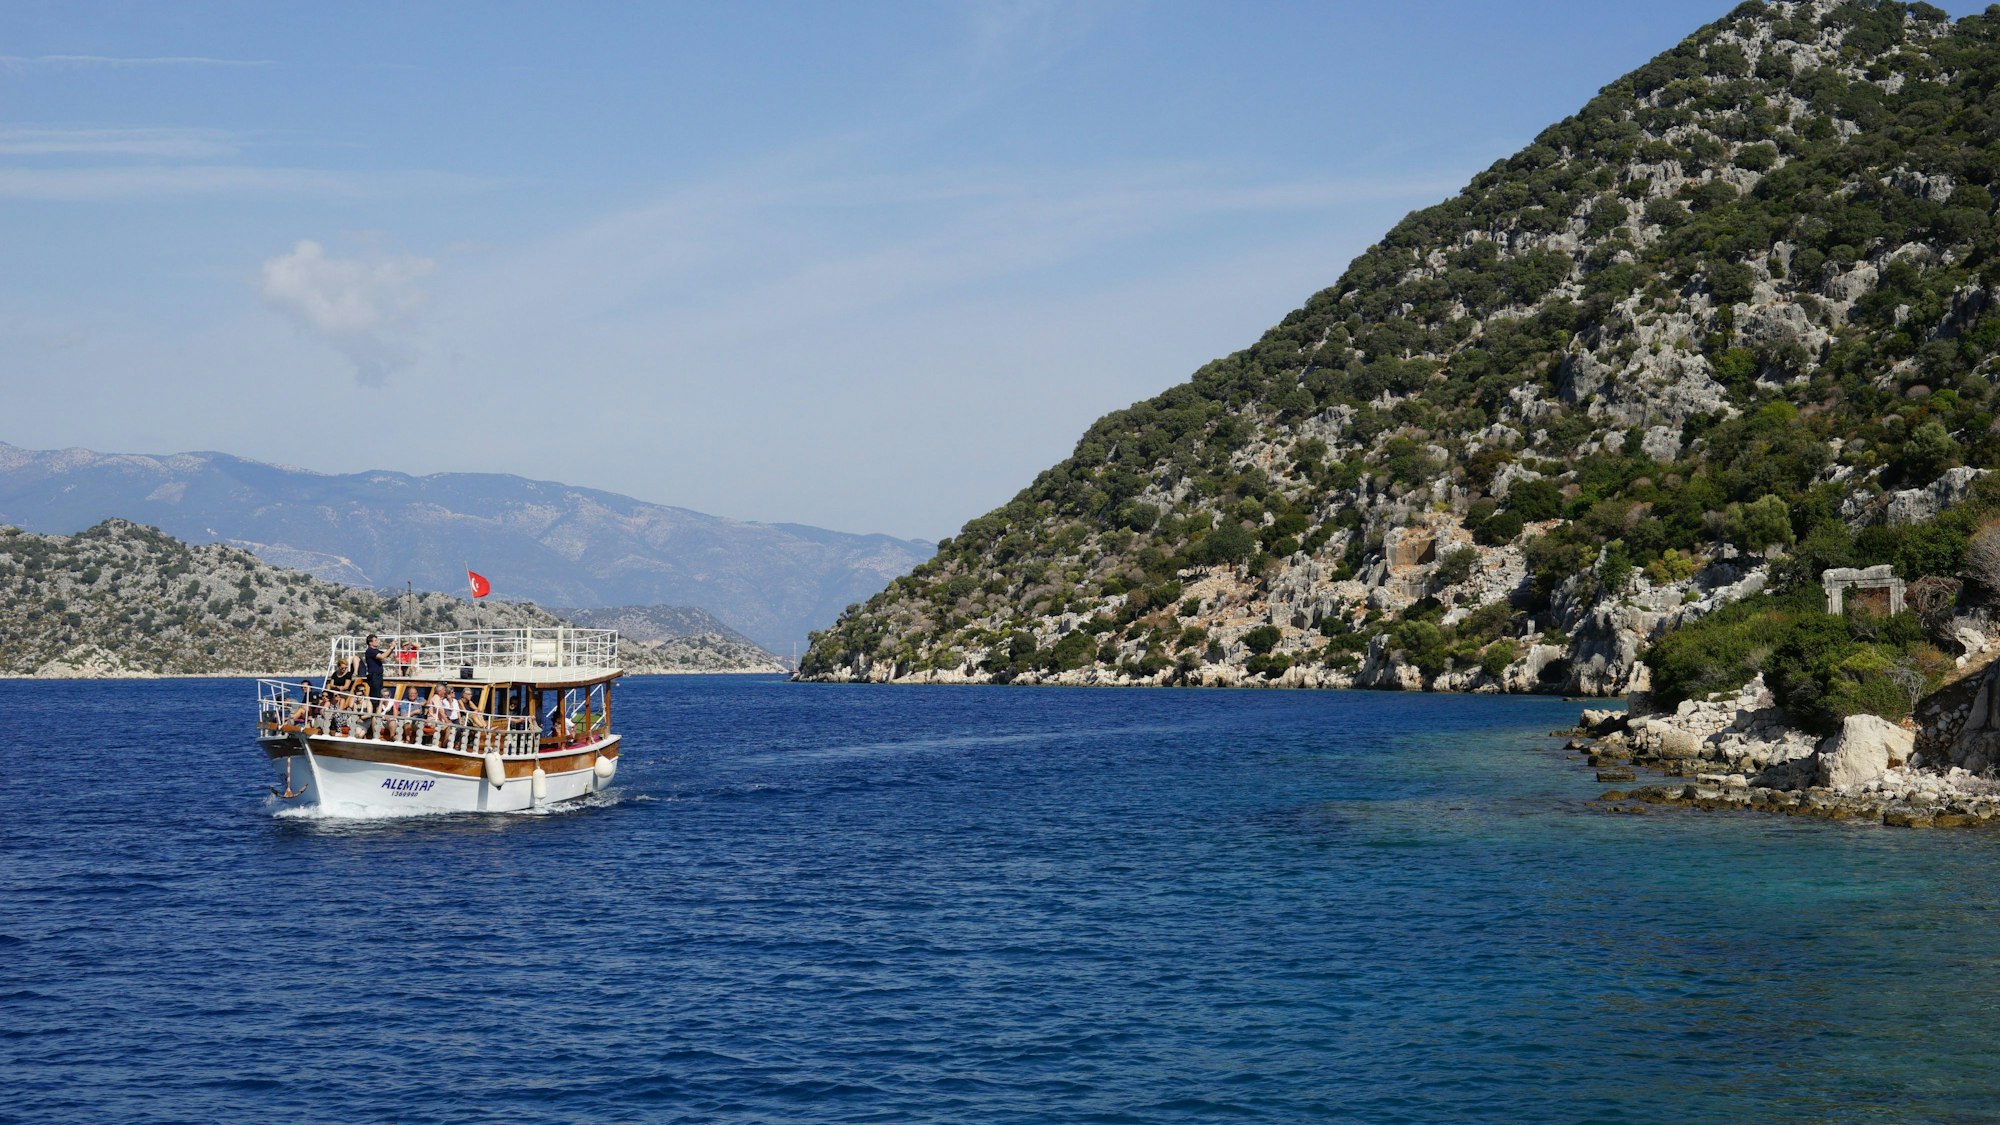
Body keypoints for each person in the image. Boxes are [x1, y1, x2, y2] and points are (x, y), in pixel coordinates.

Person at [362, 634, 386, 701]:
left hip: (379, 676)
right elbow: (381, 657)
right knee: (375, 695)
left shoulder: (376, 651)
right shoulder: (370, 651)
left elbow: (385, 655)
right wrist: (390, 648)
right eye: (375, 640)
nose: (377, 642)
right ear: (370, 642)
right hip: (374, 676)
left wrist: (392, 648)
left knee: (379, 693)